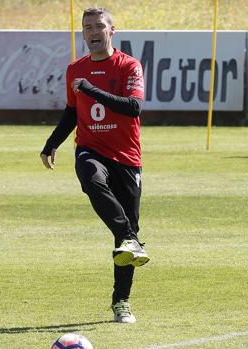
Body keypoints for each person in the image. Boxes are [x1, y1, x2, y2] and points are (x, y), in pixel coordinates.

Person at [40, 7, 149, 324]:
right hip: (90, 149)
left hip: (127, 157)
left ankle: (121, 302)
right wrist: (52, 143)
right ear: (83, 33)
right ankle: (128, 234)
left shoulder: (129, 66)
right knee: (90, 178)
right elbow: (72, 112)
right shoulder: (75, 69)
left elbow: (133, 108)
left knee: (126, 241)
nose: (93, 31)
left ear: (112, 30)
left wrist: (91, 89)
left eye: (99, 25)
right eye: (87, 27)